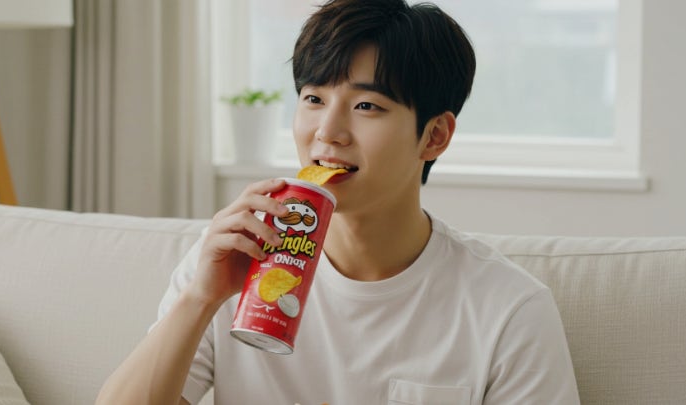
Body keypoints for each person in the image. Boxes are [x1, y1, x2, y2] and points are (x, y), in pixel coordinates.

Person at [96, 0, 580, 403]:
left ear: (434, 136)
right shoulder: (231, 259)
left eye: (366, 106)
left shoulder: (509, 309)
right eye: (313, 99)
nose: (327, 132)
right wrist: (200, 299)